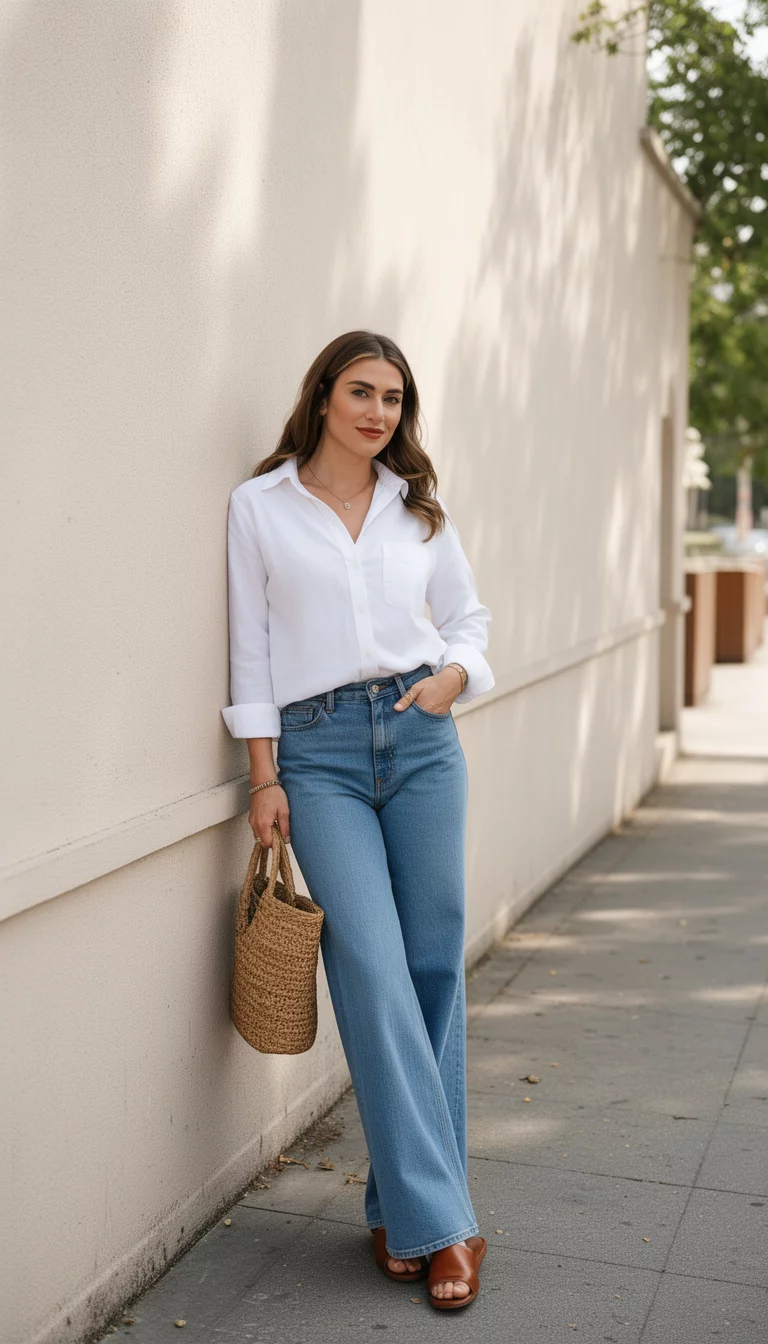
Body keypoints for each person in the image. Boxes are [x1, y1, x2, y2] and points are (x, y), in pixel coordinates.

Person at [221, 330, 494, 1310]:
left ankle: (404, 1207)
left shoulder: (416, 507)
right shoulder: (260, 506)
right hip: (318, 751)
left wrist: (455, 677)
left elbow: (468, 621)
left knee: (431, 968)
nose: (379, 412)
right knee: (373, 972)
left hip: (421, 739)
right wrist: (263, 777)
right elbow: (251, 648)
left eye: (394, 398)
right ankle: (450, 1225)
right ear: (324, 397)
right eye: (362, 392)